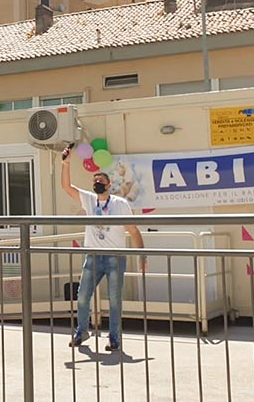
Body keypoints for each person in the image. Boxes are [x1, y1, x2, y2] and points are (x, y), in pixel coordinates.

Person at [61, 145, 146, 352]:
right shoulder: (89, 200)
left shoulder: (120, 204)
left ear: (109, 185)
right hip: (93, 255)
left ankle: (114, 338)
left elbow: (133, 231)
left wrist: (141, 255)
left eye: (101, 182)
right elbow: (67, 187)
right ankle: (81, 331)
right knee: (82, 295)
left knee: (115, 299)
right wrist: (65, 163)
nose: (97, 184)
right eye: (95, 182)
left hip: (115, 257)